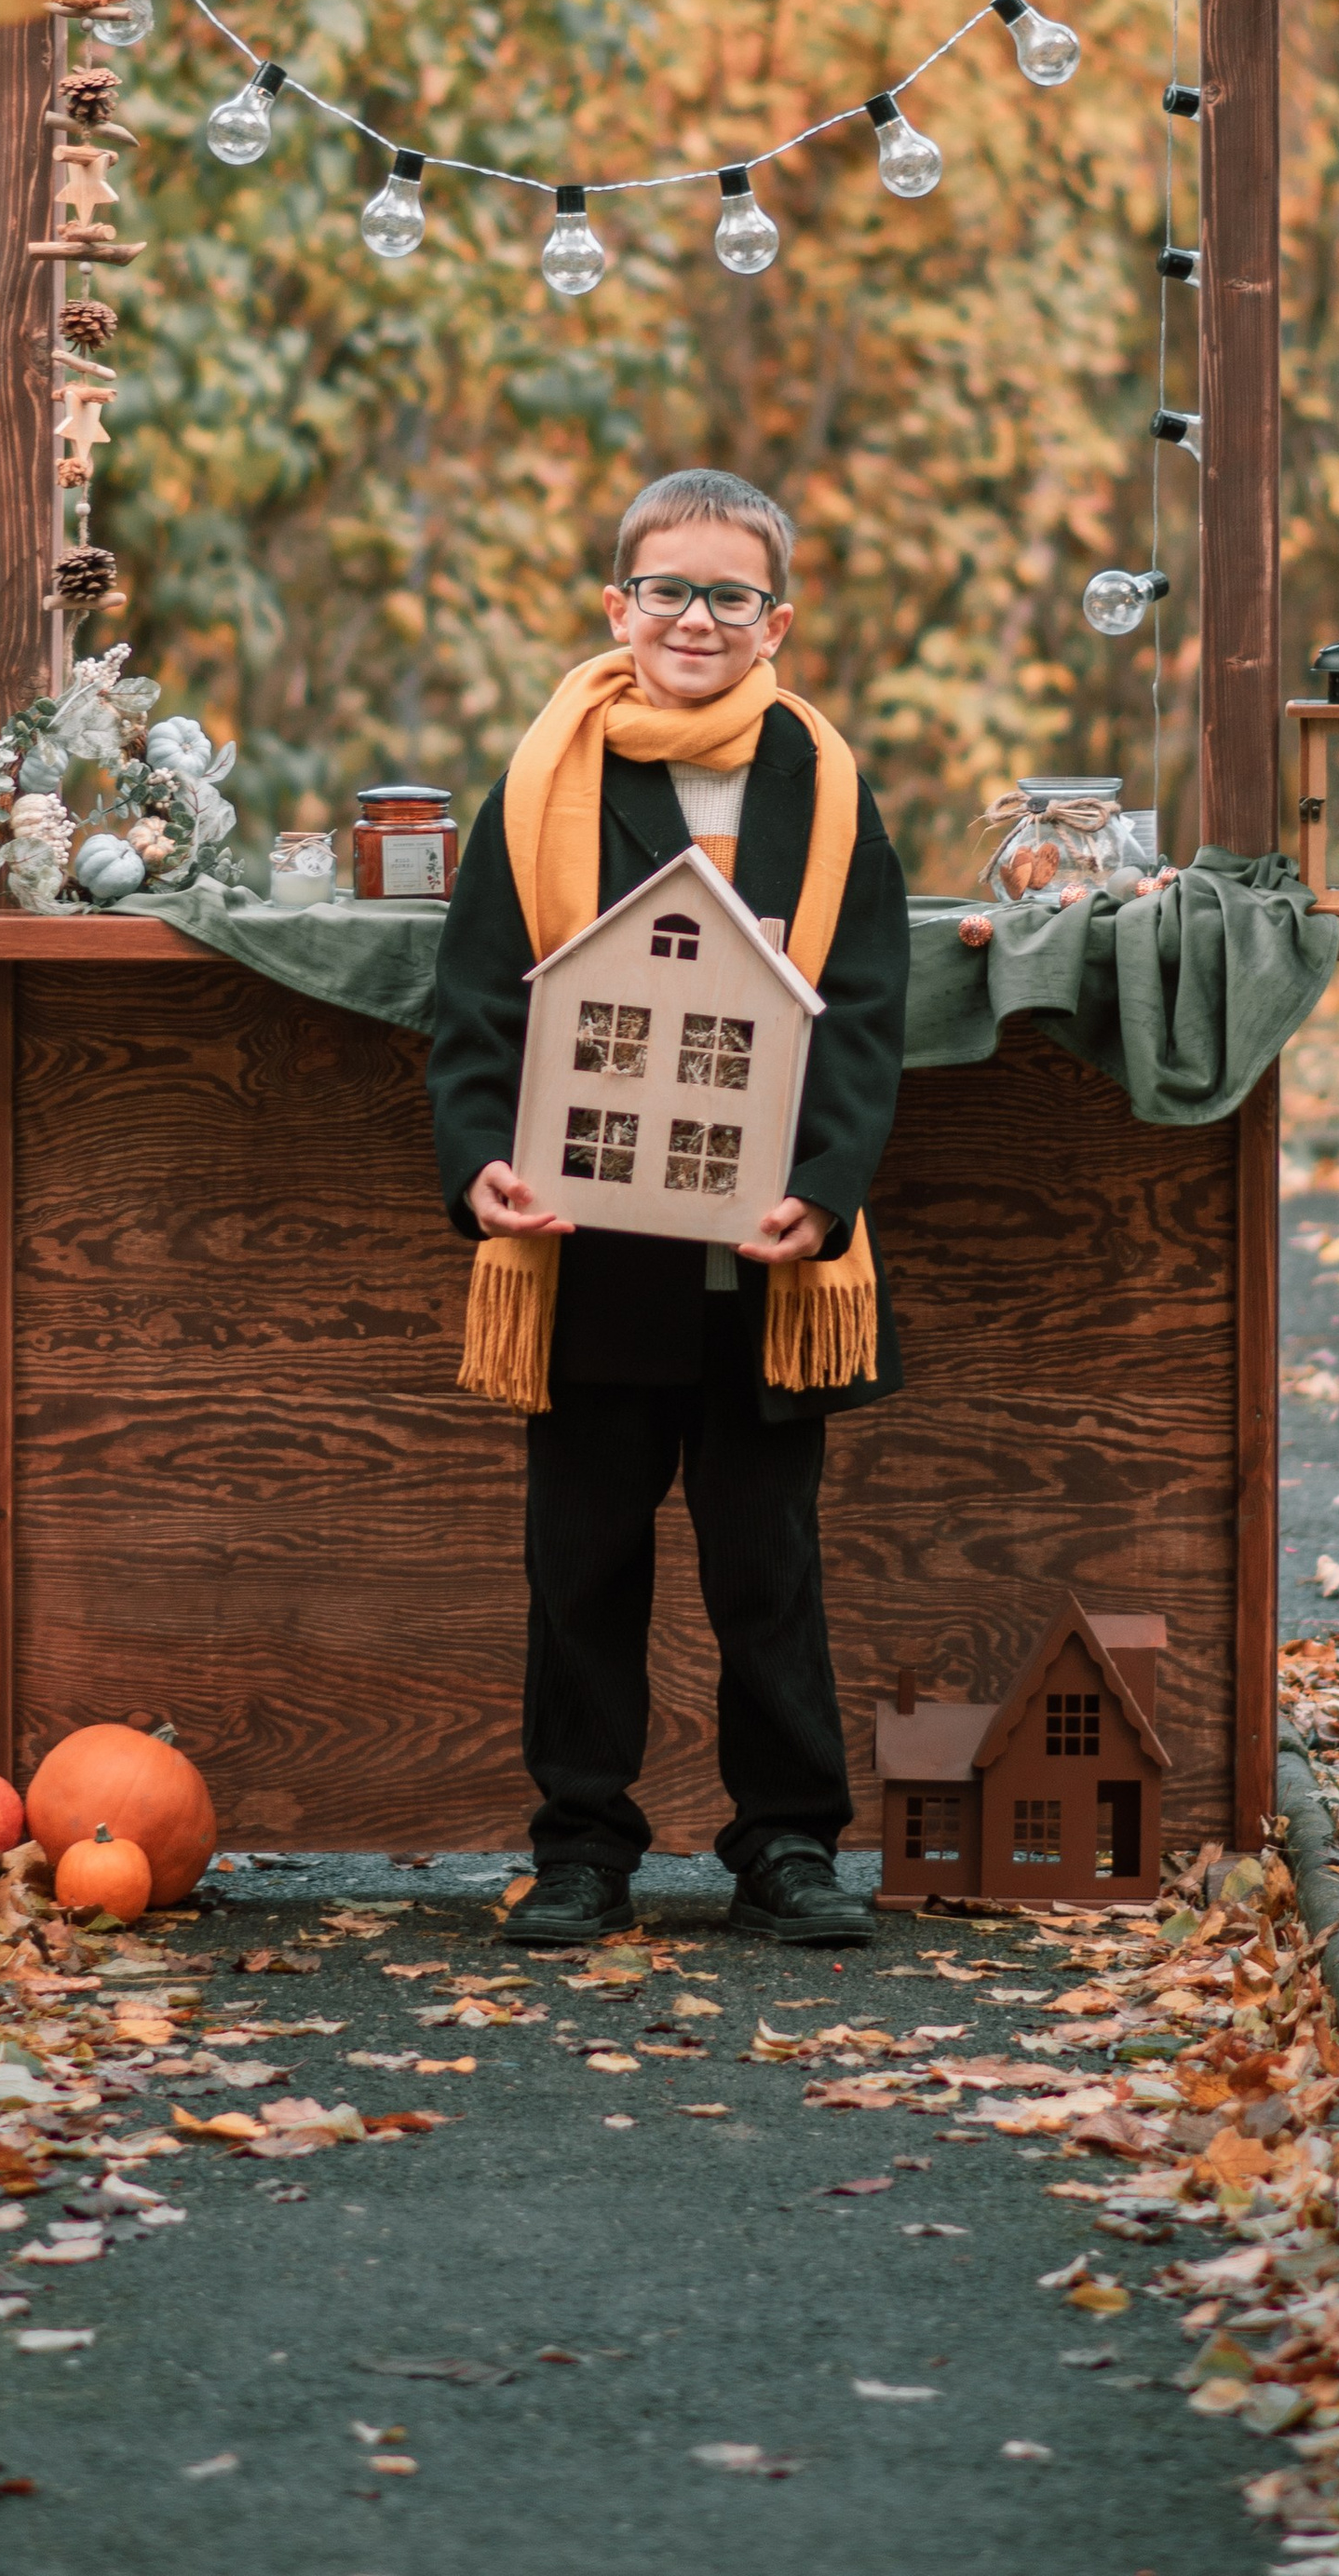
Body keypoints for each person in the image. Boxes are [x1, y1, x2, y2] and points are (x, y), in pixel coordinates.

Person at [426, 468, 909, 1948]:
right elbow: (475, 1014)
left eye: (731, 595)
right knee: (583, 1566)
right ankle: (583, 1847)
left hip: (762, 1258)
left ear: (781, 621)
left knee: (769, 1568)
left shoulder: (822, 791)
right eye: (669, 589)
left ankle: (787, 1845)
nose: (697, 618)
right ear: (617, 605)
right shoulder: (548, 781)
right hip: (588, 1256)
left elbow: (866, 1011)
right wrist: (479, 1171)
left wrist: (826, 1198)